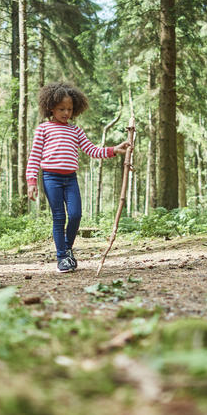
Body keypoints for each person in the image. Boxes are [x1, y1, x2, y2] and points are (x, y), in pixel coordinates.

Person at [26, 82, 130, 273]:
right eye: (61, 109)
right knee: (59, 217)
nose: (66, 113)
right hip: (51, 178)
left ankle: (67, 249)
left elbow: (92, 150)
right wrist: (31, 182)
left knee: (75, 215)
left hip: (70, 179)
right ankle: (62, 258)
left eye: (70, 109)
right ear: (51, 108)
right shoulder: (43, 129)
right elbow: (34, 157)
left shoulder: (75, 131)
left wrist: (114, 150)